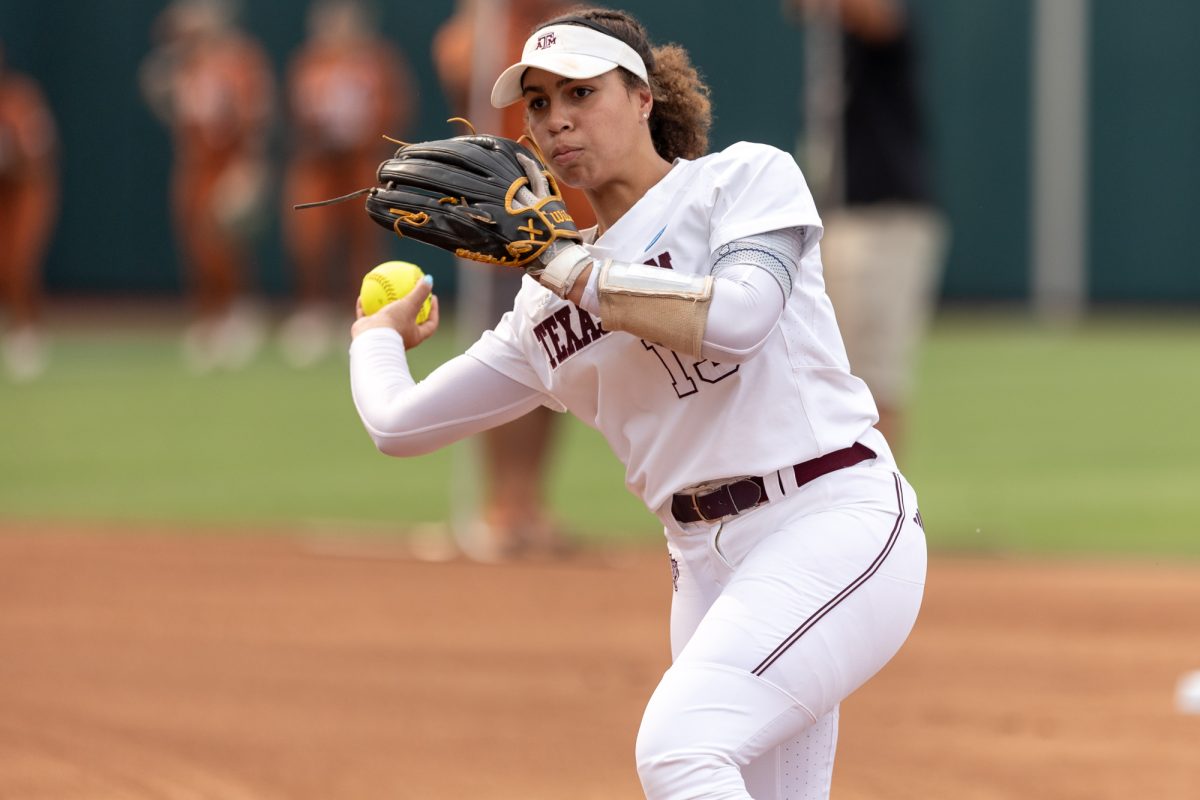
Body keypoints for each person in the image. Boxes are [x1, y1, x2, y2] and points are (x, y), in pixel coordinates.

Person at [349, 8, 926, 798]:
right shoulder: (542, 307)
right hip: (703, 571)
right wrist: (372, 337)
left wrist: (563, 263)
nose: (557, 121)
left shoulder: (740, 181)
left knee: (680, 750)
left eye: (581, 93)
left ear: (644, 96)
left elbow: (738, 320)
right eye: (540, 104)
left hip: (830, 523)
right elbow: (399, 425)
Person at [431, 0, 597, 560]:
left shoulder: (575, 26)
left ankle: (529, 503)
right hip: (502, 221)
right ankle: (500, 506)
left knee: (559, 371)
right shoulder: (487, 27)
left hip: (569, 220)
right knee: (505, 366)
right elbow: (456, 70)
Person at [786, 0, 949, 458]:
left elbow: (879, 17)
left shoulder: (881, 36)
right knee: (831, 374)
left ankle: (882, 513)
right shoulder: (834, 48)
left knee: (873, 382)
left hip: (884, 220)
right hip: (840, 219)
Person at [278, 0, 416, 368]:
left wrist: (371, 138)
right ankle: (313, 311)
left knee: (363, 241)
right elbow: (297, 111)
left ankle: (362, 314)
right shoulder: (310, 62)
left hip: (361, 161)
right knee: (310, 238)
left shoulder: (378, 61)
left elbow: (395, 108)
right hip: (318, 162)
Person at [140, 0, 275, 373]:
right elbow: (167, 99)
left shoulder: (239, 60)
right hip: (193, 163)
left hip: (227, 160)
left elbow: (256, 115)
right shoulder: (182, 63)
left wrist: (249, 166)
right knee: (194, 243)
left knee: (225, 242)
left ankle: (238, 312)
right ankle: (208, 316)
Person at [0, 41, 58, 382]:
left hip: (27, 189)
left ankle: (28, 332)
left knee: (21, 260)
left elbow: (38, 150)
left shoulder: (20, 98)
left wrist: (13, 156)